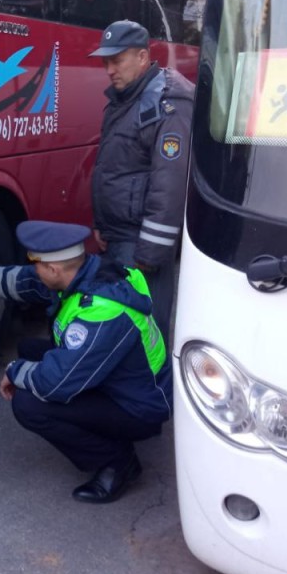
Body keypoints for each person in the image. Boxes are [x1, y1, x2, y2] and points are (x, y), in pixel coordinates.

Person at [0, 220, 171, 504]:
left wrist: (14, 371)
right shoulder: (85, 271)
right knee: (30, 349)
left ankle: (119, 462)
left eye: (37, 264)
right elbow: (23, 281)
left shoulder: (103, 313)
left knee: (28, 404)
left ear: (54, 269)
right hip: (125, 380)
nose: (33, 268)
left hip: (140, 406)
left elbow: (56, 382)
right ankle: (106, 436)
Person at [87, 19, 194, 340]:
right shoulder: (126, 99)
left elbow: (170, 186)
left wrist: (150, 253)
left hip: (141, 247)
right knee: (121, 330)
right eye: (106, 62)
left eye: (117, 60)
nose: (109, 70)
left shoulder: (167, 105)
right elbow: (115, 168)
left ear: (143, 58)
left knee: (147, 335)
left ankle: (153, 389)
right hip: (120, 239)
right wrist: (102, 224)